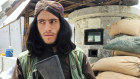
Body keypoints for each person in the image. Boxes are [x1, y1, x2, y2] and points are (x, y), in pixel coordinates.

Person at [11, 0, 96, 79]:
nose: (47, 28)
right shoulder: (23, 61)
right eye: (41, 21)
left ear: (61, 25)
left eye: (53, 21)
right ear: (36, 26)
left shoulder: (78, 57)